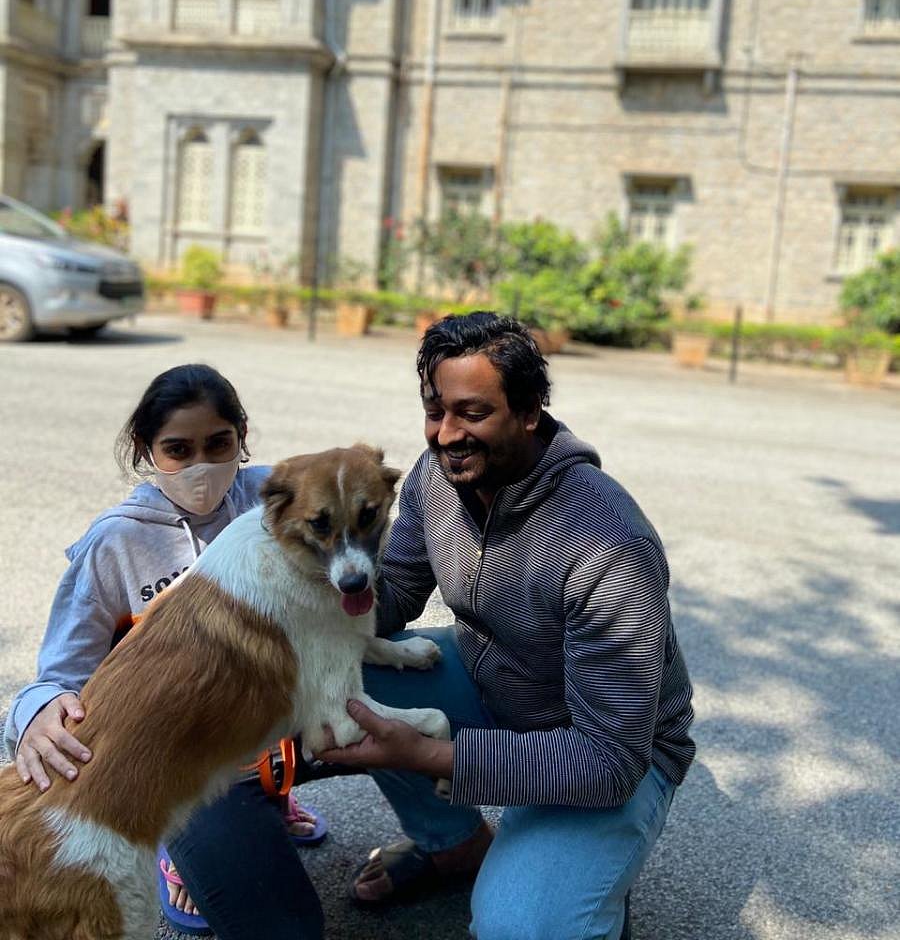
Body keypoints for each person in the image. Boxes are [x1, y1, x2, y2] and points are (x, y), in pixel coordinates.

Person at [318, 312, 695, 940]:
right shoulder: (436, 477)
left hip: (611, 751)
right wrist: (279, 622)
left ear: (528, 412)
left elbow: (608, 759)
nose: (446, 435)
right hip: (497, 686)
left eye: (472, 413)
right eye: (435, 411)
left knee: (524, 926)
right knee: (343, 666)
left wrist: (429, 754)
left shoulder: (606, 540)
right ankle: (454, 845)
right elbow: (398, 590)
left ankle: (582, 891)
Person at [5, 363, 326, 940]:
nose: (201, 465)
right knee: (287, 929)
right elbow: (60, 676)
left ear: (242, 434)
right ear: (145, 449)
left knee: (399, 670)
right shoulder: (115, 542)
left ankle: (443, 840)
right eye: (178, 449)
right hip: (193, 758)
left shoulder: (279, 499)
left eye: (218, 444)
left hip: (284, 722)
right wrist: (33, 716)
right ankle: (177, 842)